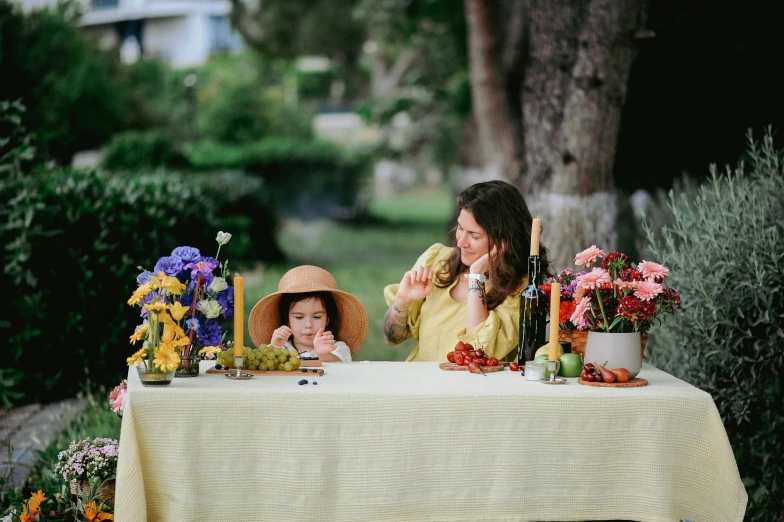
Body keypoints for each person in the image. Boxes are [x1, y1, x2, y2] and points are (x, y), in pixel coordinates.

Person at [383, 180, 551, 362]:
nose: (461, 242)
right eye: (460, 228)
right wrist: (402, 302)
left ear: (505, 241)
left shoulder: (522, 291)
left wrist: (476, 276)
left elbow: (479, 353)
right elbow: (392, 338)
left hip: (470, 389)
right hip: (420, 385)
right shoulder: (437, 260)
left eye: (474, 235)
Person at [248, 265, 368, 361]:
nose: (308, 324)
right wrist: (274, 347)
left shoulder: (336, 347)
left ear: (327, 319)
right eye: (299, 317)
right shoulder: (283, 348)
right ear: (288, 320)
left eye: (316, 317)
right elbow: (261, 365)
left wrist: (323, 354)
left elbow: (340, 363)